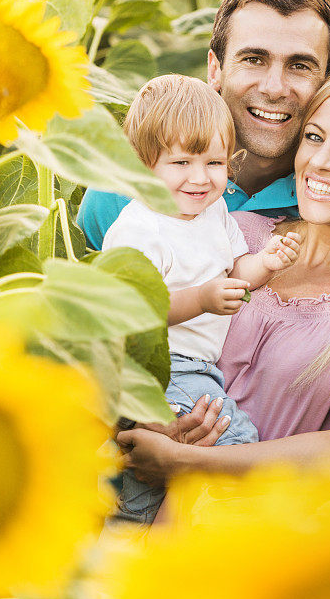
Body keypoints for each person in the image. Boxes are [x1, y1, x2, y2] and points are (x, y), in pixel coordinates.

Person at [116, 65, 330, 486]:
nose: (320, 162)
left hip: (257, 531)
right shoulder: (236, 232)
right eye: (314, 137)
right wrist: (147, 422)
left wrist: (182, 461)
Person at [103, 74, 301, 522]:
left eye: (214, 163)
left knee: (170, 463)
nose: (200, 178)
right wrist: (201, 299)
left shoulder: (213, 214)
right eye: (181, 163)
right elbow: (135, 315)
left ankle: (130, 524)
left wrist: (267, 263)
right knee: (234, 444)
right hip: (157, 368)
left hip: (199, 370)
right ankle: (127, 530)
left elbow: (236, 274)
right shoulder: (140, 230)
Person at [77, 0, 330, 249]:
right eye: (253, 60)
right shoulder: (125, 186)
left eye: (300, 66)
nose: (274, 89)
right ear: (215, 70)